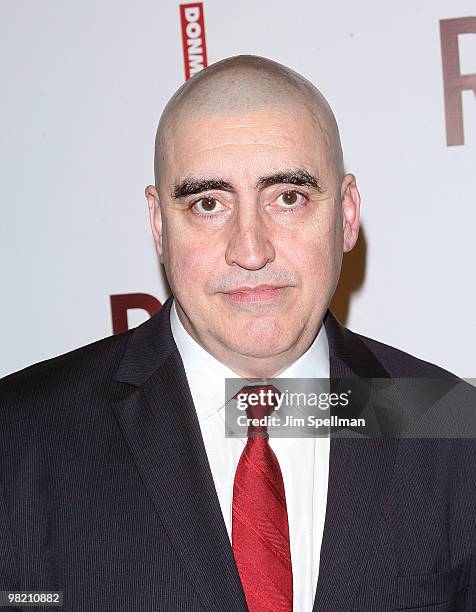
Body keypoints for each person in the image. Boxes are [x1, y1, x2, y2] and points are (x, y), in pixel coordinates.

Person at [0, 54, 475, 612]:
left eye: (289, 197)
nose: (250, 249)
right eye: (207, 203)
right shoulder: (21, 436)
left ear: (347, 214)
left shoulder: (448, 425)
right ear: (159, 225)